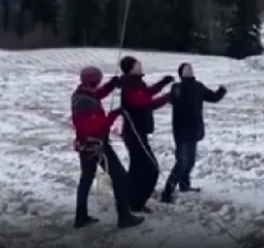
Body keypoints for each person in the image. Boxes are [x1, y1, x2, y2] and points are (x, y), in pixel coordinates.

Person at [71, 66, 145, 230]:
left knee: (86, 179)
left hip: (85, 146)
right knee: (120, 177)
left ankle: (81, 216)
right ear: (93, 80)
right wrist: (115, 114)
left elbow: (98, 95)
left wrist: (112, 84)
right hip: (97, 146)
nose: (99, 83)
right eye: (98, 80)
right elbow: (97, 127)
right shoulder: (85, 102)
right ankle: (124, 217)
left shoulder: (81, 94)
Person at [161, 62, 226, 203]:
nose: (189, 69)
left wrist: (221, 91)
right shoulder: (177, 87)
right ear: (181, 73)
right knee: (181, 162)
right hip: (181, 130)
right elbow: (171, 100)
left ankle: (184, 185)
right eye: (186, 68)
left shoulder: (198, 86)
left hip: (194, 130)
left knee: (190, 162)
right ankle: (167, 192)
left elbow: (213, 97)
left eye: (191, 67)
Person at [118, 56, 174, 213]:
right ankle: (136, 203)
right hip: (134, 134)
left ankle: (129, 200)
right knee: (151, 169)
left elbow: (146, 93)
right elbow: (145, 104)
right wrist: (168, 97)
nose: (141, 65)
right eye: (137, 64)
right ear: (131, 68)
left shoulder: (135, 82)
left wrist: (163, 83)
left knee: (137, 168)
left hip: (136, 133)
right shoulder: (130, 85)